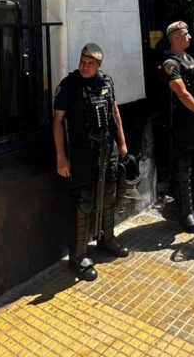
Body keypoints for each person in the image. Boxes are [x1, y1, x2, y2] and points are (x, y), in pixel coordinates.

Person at [53, 43, 129, 282]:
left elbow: (115, 112)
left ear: (99, 65)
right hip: (82, 153)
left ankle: (107, 239)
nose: (85, 67)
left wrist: (123, 143)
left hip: (108, 150)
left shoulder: (106, 82)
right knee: (83, 201)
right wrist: (61, 156)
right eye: (82, 62)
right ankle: (79, 255)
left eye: (90, 64)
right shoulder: (69, 86)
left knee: (108, 194)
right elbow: (57, 122)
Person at [162, 21, 194, 234]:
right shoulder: (171, 64)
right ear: (175, 37)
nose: (190, 37)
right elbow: (182, 94)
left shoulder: (190, 59)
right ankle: (187, 214)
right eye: (185, 34)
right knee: (183, 169)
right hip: (182, 124)